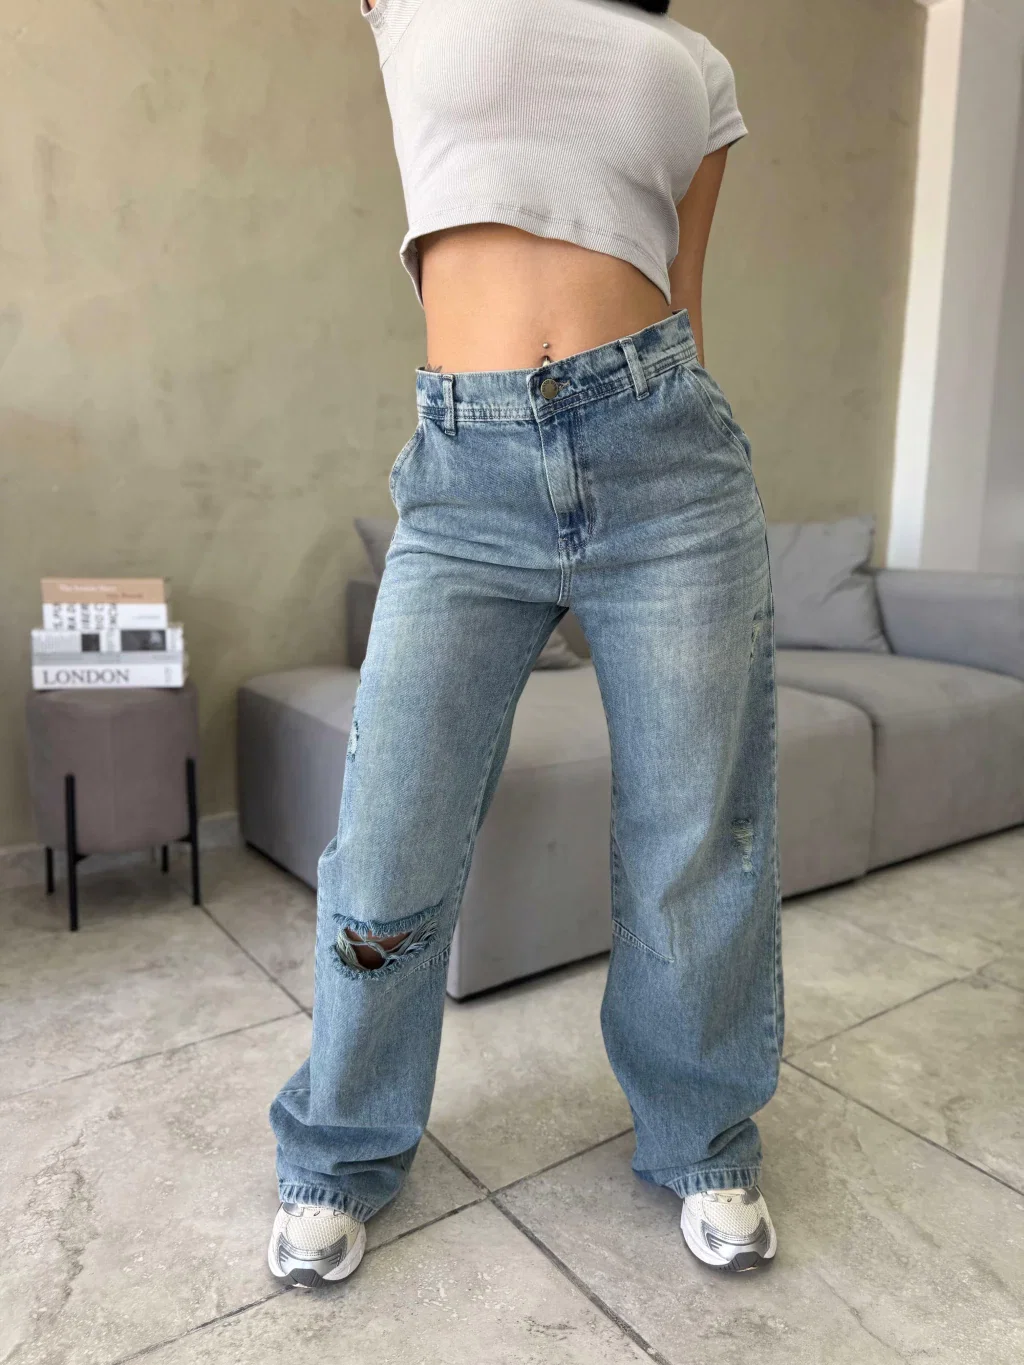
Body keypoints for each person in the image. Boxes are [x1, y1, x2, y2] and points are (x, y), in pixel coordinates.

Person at [268, 0, 783, 1286]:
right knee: (389, 834)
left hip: (669, 460)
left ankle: (701, 1135)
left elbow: (686, 286)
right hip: (466, 477)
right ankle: (339, 1152)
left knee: (692, 839)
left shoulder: (695, 63)